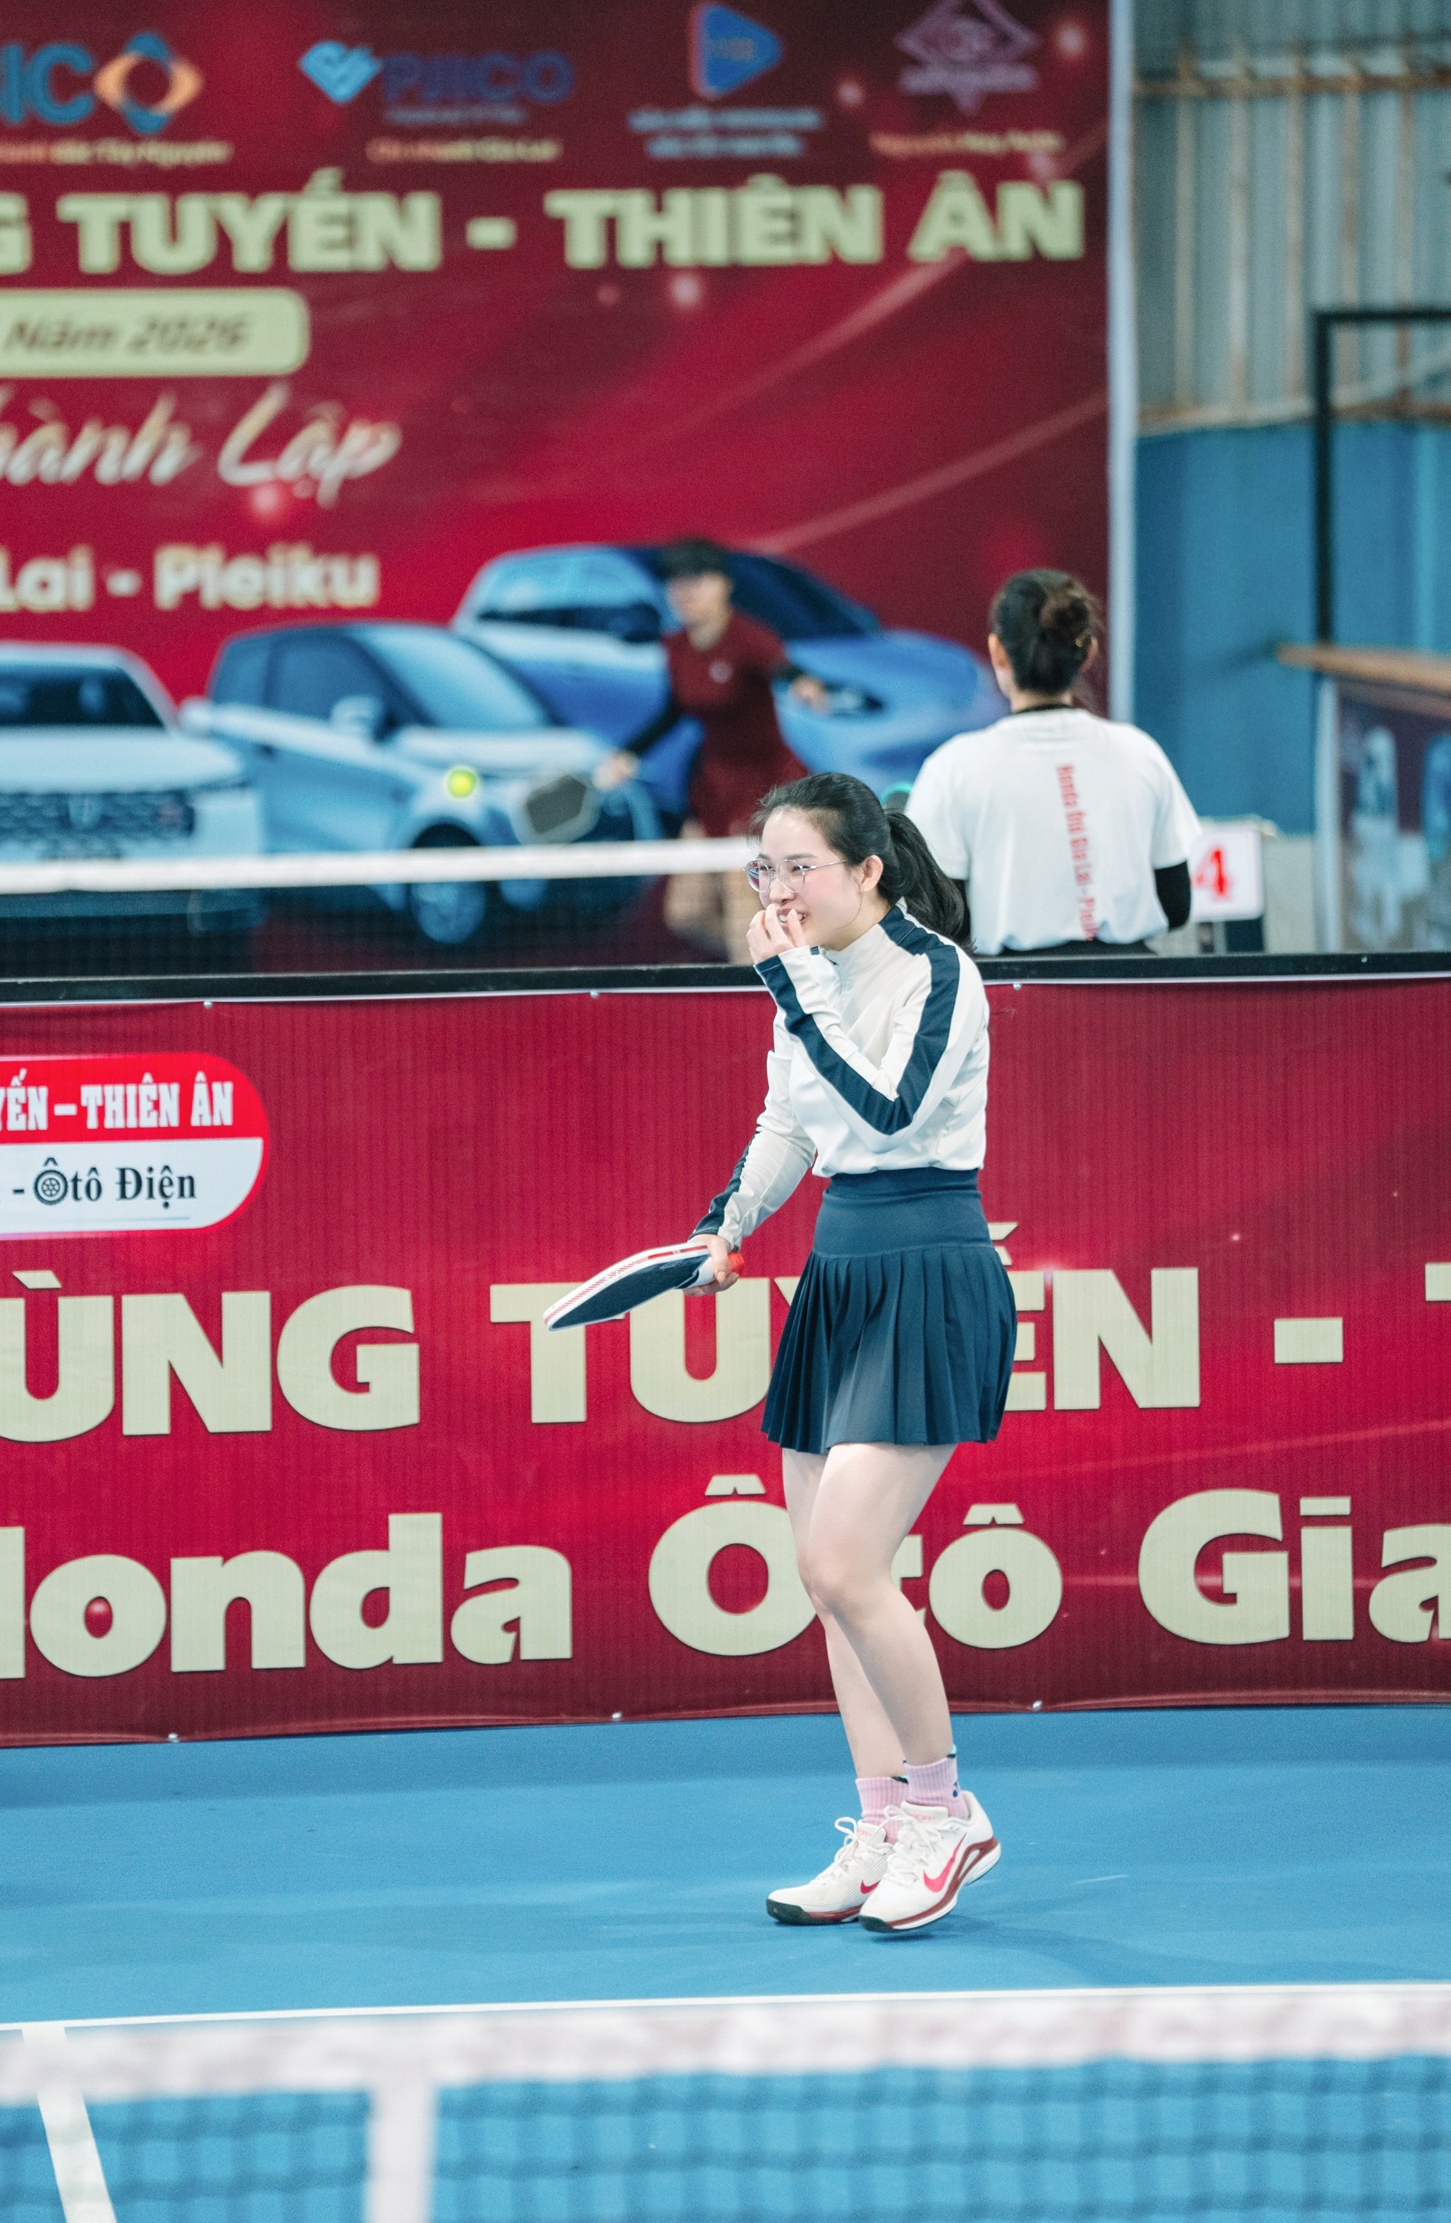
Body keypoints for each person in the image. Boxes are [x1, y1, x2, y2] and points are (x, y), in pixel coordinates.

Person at [688, 772, 1016, 1934]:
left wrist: (796, 990)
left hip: (928, 1266)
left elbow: (888, 1113)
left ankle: (945, 1814)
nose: (776, 892)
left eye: (799, 868)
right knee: (826, 1585)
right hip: (840, 1273)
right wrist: (727, 1225)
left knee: (847, 1565)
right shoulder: (807, 983)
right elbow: (790, 1123)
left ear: (867, 871)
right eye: (763, 870)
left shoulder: (937, 973)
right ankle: (880, 1824)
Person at [904, 570, 1198, 955]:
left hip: (1012, 986)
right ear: (1088, 652)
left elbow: (939, 921)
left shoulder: (953, 768)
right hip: (1133, 982)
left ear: (997, 652)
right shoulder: (1141, 753)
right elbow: (1176, 905)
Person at [597, 539, 828, 961]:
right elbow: (674, 709)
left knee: (743, 906)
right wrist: (629, 753)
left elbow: (782, 667)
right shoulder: (677, 647)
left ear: (723, 585)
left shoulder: (749, 637)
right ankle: (778, 962)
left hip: (762, 791)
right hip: (711, 791)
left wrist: (803, 683)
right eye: (675, 583)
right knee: (685, 914)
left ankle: (758, 979)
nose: (684, 592)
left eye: (696, 581)